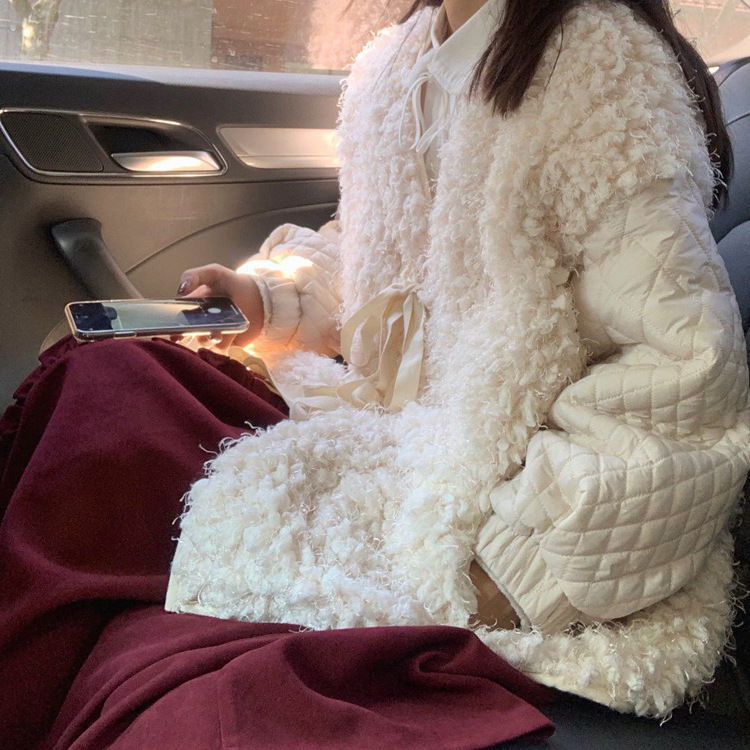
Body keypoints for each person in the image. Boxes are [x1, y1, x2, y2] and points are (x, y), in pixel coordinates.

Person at [1, 2, 748, 744]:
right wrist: (269, 299)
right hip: (379, 431)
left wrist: (509, 569)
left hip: (507, 498)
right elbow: (380, 253)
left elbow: (681, 378)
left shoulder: (598, 74)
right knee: (98, 388)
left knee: (196, 696)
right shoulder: (398, 63)